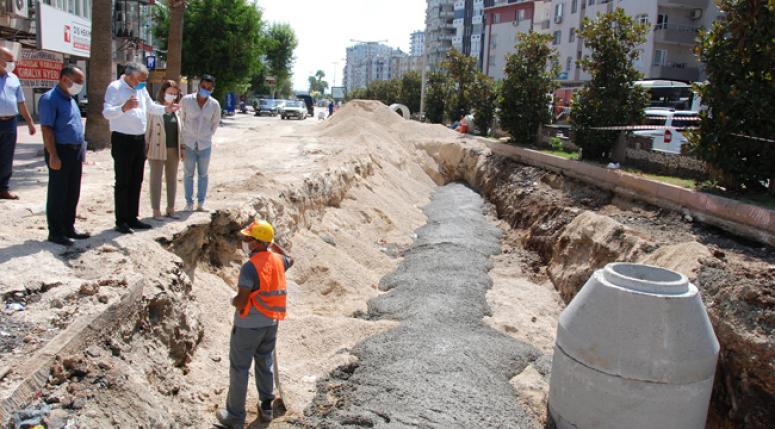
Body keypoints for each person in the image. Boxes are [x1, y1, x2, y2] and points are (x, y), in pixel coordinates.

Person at [216, 219, 294, 428]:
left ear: (257, 242)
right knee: (264, 361)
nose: (245, 241)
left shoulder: (250, 268)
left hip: (248, 325)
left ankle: (234, 416)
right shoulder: (278, 260)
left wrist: (234, 300)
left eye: (249, 239)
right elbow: (290, 258)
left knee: (240, 368)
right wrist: (272, 243)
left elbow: (241, 301)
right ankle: (266, 407)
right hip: (271, 322)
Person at [103, 63, 179, 234]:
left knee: (136, 180)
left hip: (139, 140)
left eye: (145, 81)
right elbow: (106, 112)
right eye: (141, 80)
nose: (143, 83)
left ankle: (132, 217)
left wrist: (166, 109)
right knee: (123, 181)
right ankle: (121, 220)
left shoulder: (140, 89)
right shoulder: (115, 88)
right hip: (122, 139)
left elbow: (151, 107)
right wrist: (124, 108)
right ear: (130, 76)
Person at [39, 65, 89, 246]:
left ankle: (69, 227)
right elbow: (46, 128)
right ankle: (56, 231)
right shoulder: (50, 99)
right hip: (60, 150)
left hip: (75, 151)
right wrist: (53, 155)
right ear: (64, 79)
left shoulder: (71, 98)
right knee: (58, 192)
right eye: (78, 82)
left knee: (72, 191)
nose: (80, 85)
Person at [0, 47, 36, 200]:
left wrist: (30, 122)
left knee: (7, 158)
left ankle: (3, 189)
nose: (12, 64)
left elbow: (21, 102)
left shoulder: (13, 78)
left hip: (10, 122)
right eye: (9, 61)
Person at [180, 75, 220, 212]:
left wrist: (206, 135)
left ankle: (201, 202)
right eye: (203, 87)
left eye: (209, 88)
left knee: (203, 174)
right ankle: (189, 203)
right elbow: (182, 120)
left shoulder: (214, 105)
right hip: (189, 143)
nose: (205, 90)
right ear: (199, 86)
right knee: (188, 174)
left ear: (212, 89)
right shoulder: (186, 101)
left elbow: (215, 124)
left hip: (205, 145)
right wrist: (183, 143)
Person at [146, 80, 183, 220]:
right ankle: (156, 210)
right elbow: (148, 129)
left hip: (173, 149)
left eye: (175, 94)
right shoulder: (154, 108)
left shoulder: (177, 110)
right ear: (163, 92)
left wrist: (183, 148)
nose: (172, 96)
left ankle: (171, 209)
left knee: (172, 179)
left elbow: (181, 130)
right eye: (169, 93)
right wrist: (146, 146)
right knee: (156, 179)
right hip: (157, 148)